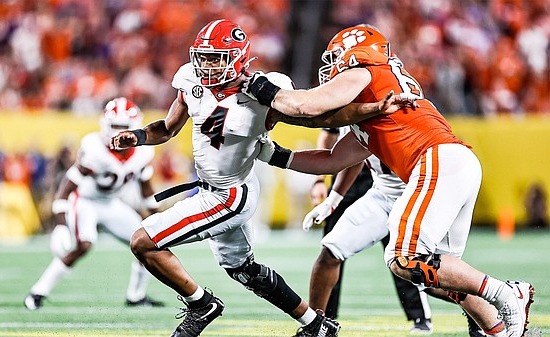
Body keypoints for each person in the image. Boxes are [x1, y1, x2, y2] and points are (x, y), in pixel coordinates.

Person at [109, 19, 412, 337]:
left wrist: (374, 108)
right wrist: (139, 136)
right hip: (215, 190)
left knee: (144, 242)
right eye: (203, 57)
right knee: (243, 270)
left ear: (238, 58)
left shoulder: (261, 92)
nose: (207, 65)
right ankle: (315, 324)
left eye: (216, 58)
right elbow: (167, 128)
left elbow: (321, 116)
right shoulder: (190, 82)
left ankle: (201, 305)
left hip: (229, 195)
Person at [248, 25, 534, 337]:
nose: (331, 69)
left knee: (403, 258)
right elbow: (333, 159)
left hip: (436, 162)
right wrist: (274, 155)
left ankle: (508, 293)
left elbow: (309, 107)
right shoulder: (378, 106)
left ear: (356, 55)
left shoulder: (367, 71)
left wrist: (264, 91)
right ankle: (496, 328)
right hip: (454, 165)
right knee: (438, 274)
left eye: (335, 59)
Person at [24, 97, 164, 310]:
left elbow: (146, 189)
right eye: (114, 126)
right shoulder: (94, 148)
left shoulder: (144, 152)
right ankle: (37, 292)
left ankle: (136, 296)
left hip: (111, 203)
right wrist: (60, 225)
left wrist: (158, 218)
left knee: (148, 241)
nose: (118, 132)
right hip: (85, 201)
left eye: (124, 127)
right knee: (84, 245)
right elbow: (65, 190)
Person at [307, 126, 434, 334]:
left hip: (384, 185)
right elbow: (330, 137)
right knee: (331, 250)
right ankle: (322, 319)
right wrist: (320, 182)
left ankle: (421, 314)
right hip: (346, 177)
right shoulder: (338, 100)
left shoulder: (378, 104)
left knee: (402, 255)